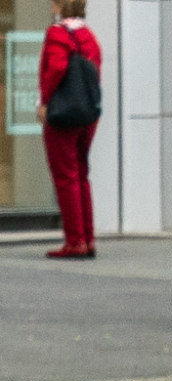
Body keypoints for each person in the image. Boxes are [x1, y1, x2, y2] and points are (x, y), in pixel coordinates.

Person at [37, 0, 101, 261]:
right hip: (87, 113)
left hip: (63, 113)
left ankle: (74, 241)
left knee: (65, 176)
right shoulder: (88, 36)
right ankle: (87, 238)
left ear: (61, 5)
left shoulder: (57, 33)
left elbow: (57, 67)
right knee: (81, 174)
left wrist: (46, 101)